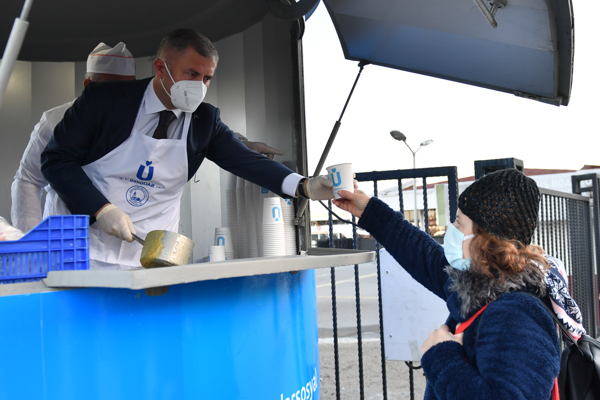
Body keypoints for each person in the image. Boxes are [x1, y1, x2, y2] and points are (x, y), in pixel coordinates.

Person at [41, 29, 333, 270]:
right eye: (191, 74)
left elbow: (247, 162)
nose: (200, 86)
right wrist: (101, 208)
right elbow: (56, 160)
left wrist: (304, 186)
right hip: (79, 250)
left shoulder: (204, 121)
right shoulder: (104, 101)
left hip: (151, 258)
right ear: (160, 68)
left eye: (207, 78)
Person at [333, 169, 586, 400]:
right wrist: (368, 210)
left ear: (486, 240)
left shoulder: (517, 314)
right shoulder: (482, 284)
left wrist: (442, 355)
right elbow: (424, 255)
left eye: (459, 223)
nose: (450, 230)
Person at [11, 42, 137, 233]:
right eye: (110, 88)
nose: (118, 98)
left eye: (126, 90)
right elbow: (28, 180)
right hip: (65, 239)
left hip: (125, 241)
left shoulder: (142, 121)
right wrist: (30, 242)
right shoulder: (55, 121)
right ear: (89, 85)